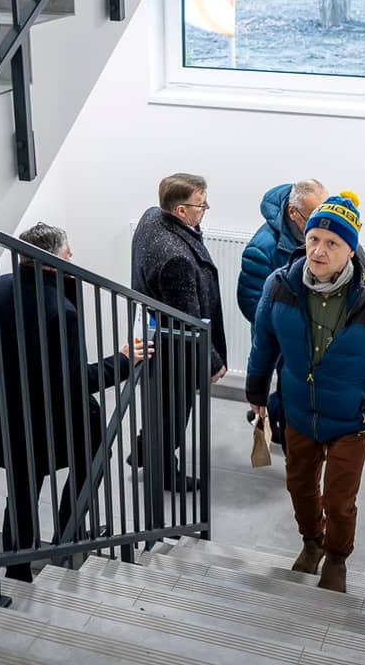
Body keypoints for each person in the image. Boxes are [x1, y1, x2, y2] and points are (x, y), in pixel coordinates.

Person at [246, 191, 365, 593]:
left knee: (339, 500)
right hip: (298, 411)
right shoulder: (279, 286)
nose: (319, 251)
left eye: (332, 243)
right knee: (300, 488)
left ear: (351, 249)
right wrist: (256, 392)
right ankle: (313, 541)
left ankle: (337, 558)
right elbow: (263, 344)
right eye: (313, 239)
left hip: (351, 420)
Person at [0, 223, 150, 582]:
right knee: (94, 458)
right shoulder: (60, 310)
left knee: (21, 494)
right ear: (51, 261)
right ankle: (67, 533)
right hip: (54, 420)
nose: (72, 255)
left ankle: (17, 570)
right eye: (66, 252)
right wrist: (123, 360)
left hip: (11, 416)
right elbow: (76, 381)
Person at [129, 173, 228, 491]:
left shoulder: (152, 216)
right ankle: (162, 472)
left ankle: (144, 448)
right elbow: (189, 319)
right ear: (180, 210)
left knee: (159, 404)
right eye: (201, 204)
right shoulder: (176, 258)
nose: (206, 208)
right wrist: (213, 363)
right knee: (173, 411)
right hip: (174, 349)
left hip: (153, 333)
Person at [237, 180, 329, 450]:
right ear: (293, 212)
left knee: (296, 388)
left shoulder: (313, 238)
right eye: (313, 218)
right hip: (280, 336)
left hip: (309, 333)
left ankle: (276, 415)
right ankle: (293, 448)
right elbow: (251, 302)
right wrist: (288, 328)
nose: (320, 225)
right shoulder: (262, 248)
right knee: (293, 390)